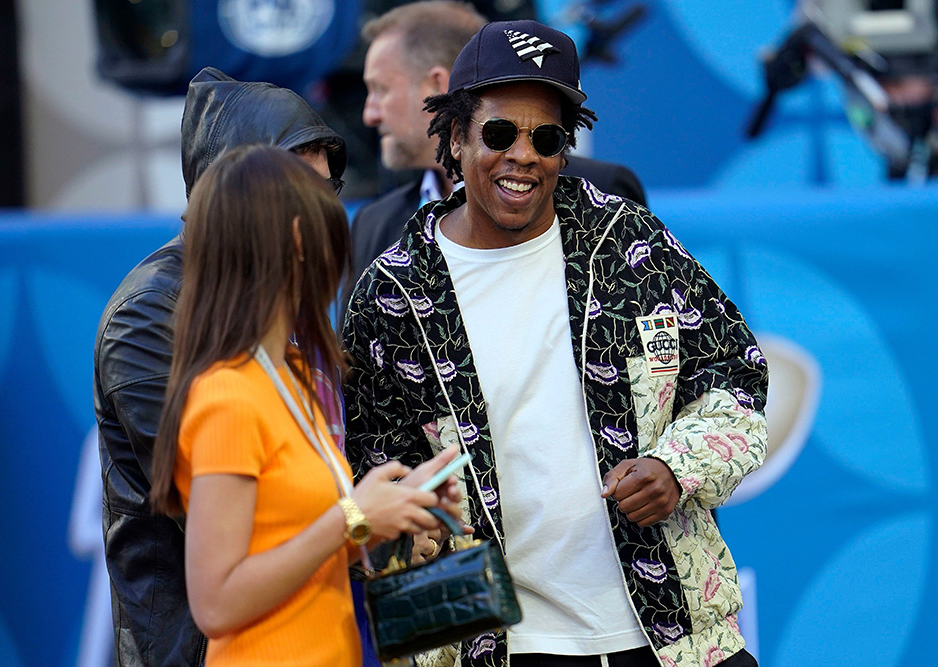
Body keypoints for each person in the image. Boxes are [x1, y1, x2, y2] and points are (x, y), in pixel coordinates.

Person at [343, 19, 768, 667]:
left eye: (546, 137)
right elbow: (378, 484)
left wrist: (675, 469)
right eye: (497, 133)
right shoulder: (395, 293)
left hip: (672, 635)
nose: (524, 154)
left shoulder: (628, 242)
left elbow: (736, 374)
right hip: (500, 646)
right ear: (455, 138)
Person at [149, 144, 463, 666]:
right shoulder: (228, 394)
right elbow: (216, 602)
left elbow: (305, 549)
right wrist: (354, 516)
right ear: (299, 240)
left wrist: (398, 511)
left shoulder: (289, 376)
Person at [93, 67, 347, 666]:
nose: (318, 219)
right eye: (298, 199)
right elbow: (242, 523)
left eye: (325, 192)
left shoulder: (279, 307)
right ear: (237, 197)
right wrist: (359, 516)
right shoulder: (150, 313)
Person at [350, 0, 647, 288]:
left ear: (437, 85)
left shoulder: (604, 193)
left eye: (381, 89)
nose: (369, 114)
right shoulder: (373, 225)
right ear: (454, 137)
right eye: (500, 133)